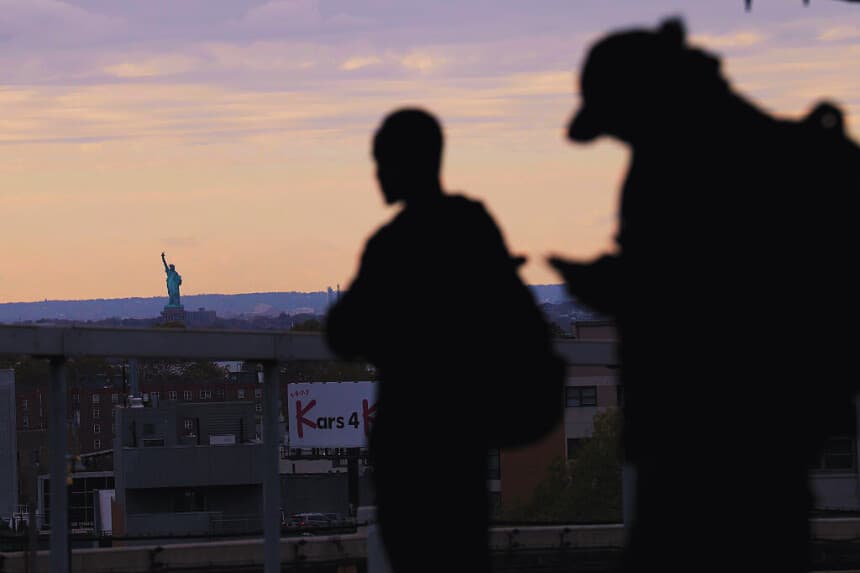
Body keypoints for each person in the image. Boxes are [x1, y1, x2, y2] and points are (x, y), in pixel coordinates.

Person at [549, 17, 859, 573]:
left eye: (620, 122)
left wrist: (606, 284)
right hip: (767, 444)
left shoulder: (679, 166)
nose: (621, 137)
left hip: (702, 447)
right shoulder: (755, 148)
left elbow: (694, 303)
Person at [326, 108, 563, 573]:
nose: (378, 175)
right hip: (461, 441)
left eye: (383, 162)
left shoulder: (393, 243)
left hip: (410, 441)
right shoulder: (471, 227)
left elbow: (343, 333)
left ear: (404, 163)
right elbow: (520, 319)